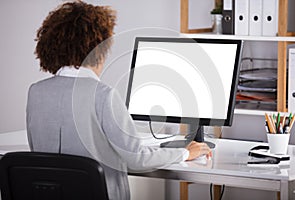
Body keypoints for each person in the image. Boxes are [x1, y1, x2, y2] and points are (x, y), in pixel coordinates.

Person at [26, 1, 212, 200]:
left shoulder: (36, 92)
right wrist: (184, 152)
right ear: (98, 49)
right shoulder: (103, 95)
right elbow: (137, 159)